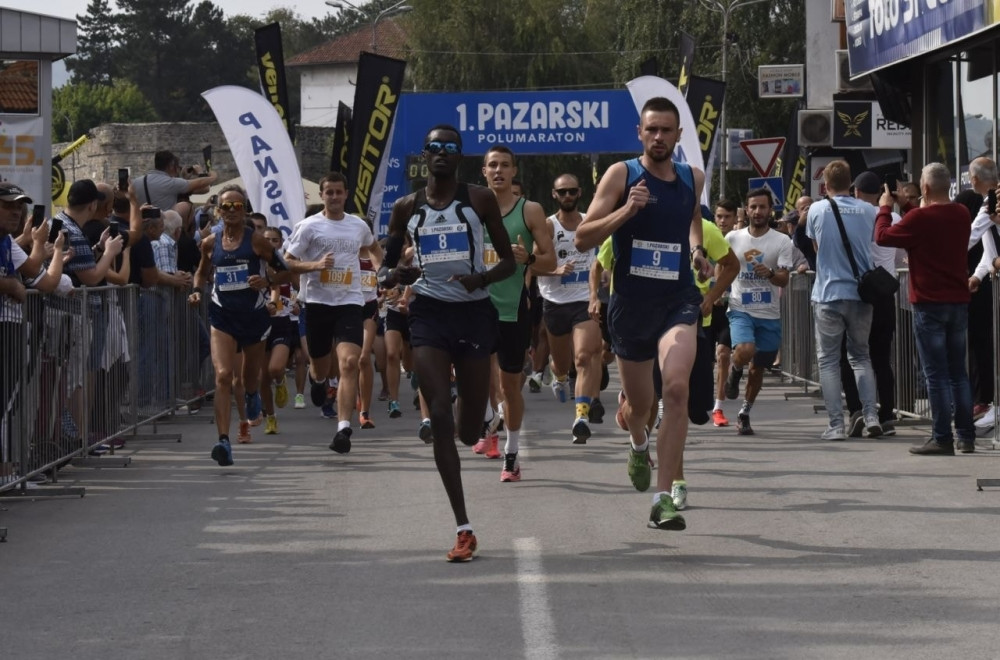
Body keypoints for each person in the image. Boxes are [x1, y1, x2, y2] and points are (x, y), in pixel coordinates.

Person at [379, 124, 515, 561]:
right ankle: (463, 527)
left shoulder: (479, 199)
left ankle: (476, 417)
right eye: (433, 147)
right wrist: (396, 275)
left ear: (460, 156)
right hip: (429, 315)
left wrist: (481, 278)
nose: (440, 153)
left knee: (467, 430)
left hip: (474, 314)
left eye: (449, 148)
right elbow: (384, 270)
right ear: (424, 154)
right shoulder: (404, 207)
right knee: (438, 412)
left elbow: (509, 261)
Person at [575, 97, 711, 531]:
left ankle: (663, 498)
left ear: (677, 135)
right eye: (651, 130)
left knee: (675, 390)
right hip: (631, 305)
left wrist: (696, 251)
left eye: (666, 130)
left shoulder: (693, 176)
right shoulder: (622, 174)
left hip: (678, 300)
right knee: (640, 406)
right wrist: (628, 210)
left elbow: (691, 217)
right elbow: (582, 238)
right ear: (640, 132)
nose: (658, 137)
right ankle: (638, 444)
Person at [875, 163, 975, 455]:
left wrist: (884, 208)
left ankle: (942, 437)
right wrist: (905, 203)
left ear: (926, 188)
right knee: (958, 373)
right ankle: (966, 436)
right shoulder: (961, 213)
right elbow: (928, 220)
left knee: (936, 375)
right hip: (957, 300)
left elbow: (883, 236)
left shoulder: (919, 217)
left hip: (928, 302)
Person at [190, 184, 290, 464]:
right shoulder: (210, 242)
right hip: (222, 315)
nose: (231, 211)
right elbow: (201, 273)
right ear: (218, 211)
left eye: (237, 206)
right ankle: (223, 442)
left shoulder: (257, 241)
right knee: (222, 376)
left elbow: (284, 272)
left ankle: (252, 394)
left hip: (253, 315)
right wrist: (196, 291)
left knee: (249, 379)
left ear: (244, 210)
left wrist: (266, 281)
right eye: (226, 207)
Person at [285, 172, 382, 454]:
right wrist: (314, 266)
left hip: (350, 302)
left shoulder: (357, 226)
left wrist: (378, 270)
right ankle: (318, 381)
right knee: (320, 365)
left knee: (350, 362)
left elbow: (374, 248)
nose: (335, 197)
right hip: (318, 303)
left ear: (346, 194)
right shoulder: (308, 227)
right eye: (329, 193)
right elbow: (288, 261)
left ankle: (343, 428)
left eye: (339, 192)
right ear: (322, 195)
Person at [480, 145, 554, 479]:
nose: (498, 171)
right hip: (474, 308)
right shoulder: (470, 209)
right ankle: (488, 418)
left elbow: (550, 261)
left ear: (514, 171)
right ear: (484, 171)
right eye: (492, 165)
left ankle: (511, 451)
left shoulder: (530, 210)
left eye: (504, 165)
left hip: (512, 310)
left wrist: (529, 259)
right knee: (473, 376)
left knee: (510, 387)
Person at [805, 163, 882, 441]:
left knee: (828, 362)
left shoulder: (816, 209)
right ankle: (871, 415)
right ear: (852, 183)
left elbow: (816, 248)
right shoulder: (867, 210)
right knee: (861, 356)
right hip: (861, 295)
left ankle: (836, 424)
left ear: (825, 185)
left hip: (828, 293)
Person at [536, 173, 602, 445]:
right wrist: (555, 269)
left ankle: (581, 417)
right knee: (562, 364)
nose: (567, 196)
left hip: (584, 300)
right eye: (561, 192)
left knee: (584, 358)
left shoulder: (591, 222)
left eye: (571, 191)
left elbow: (603, 256)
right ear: (554, 194)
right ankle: (559, 377)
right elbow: (531, 263)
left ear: (579, 193)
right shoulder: (548, 226)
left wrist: (603, 277)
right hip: (555, 302)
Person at [723, 188, 793, 436]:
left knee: (758, 368)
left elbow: (784, 279)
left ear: (770, 209)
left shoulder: (782, 241)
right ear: (746, 209)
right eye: (753, 207)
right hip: (740, 307)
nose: (758, 211)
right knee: (745, 350)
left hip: (769, 313)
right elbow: (724, 268)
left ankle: (744, 412)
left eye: (762, 207)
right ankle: (734, 367)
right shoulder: (733, 238)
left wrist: (772, 274)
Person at [710, 199, 738, 426]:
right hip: (703, 308)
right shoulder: (706, 238)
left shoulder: (739, 240)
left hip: (730, 308)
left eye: (727, 217)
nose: (722, 221)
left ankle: (718, 408)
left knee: (723, 355)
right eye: (719, 216)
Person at [134, 150, 217, 221]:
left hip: (142, 228)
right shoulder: (172, 183)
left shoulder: (136, 182)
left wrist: (184, 178)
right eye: (178, 167)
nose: (178, 171)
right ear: (171, 166)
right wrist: (208, 175)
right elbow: (204, 188)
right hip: (165, 229)